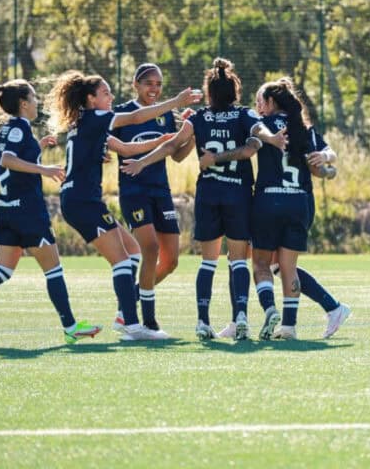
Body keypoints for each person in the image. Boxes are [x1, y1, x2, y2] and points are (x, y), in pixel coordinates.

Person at [121, 58, 285, 340]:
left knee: (208, 262)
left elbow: (172, 146)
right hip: (238, 194)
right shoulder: (244, 114)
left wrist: (142, 162)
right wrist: (272, 139)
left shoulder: (198, 118)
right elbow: (259, 132)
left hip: (209, 195)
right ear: (235, 91)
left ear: (209, 93)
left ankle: (202, 321)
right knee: (237, 261)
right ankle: (241, 317)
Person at [45, 70, 202, 341]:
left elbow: (127, 149)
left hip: (81, 200)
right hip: (83, 201)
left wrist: (161, 141)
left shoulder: (84, 122)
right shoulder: (96, 117)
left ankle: (125, 314)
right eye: (105, 93)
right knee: (121, 260)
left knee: (132, 251)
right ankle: (131, 323)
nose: (111, 97)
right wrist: (176, 102)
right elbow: (136, 117)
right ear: (91, 99)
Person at [0, 79, 101, 346]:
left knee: (2, 270)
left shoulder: (11, 128)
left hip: (8, 209)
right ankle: (71, 327)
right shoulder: (18, 127)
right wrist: (45, 169)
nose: (37, 101)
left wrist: (37, 147)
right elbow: (8, 160)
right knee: (53, 269)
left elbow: (15, 158)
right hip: (27, 211)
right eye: (33, 97)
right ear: (23, 103)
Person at [247, 78, 337, 340]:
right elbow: (325, 160)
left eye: (260, 101)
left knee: (262, 263)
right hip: (298, 202)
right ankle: (289, 326)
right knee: (287, 266)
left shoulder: (262, 125)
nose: (257, 106)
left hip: (269, 201)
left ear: (271, 102)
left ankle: (270, 309)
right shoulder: (302, 127)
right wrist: (328, 161)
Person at [111, 63, 195, 332]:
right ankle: (148, 320)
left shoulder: (166, 115)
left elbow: (176, 155)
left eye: (158, 84)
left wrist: (193, 134)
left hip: (161, 192)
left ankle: (128, 304)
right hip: (134, 192)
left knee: (171, 261)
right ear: (135, 84)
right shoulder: (122, 113)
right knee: (150, 248)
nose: (154, 89)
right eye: (149, 83)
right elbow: (107, 145)